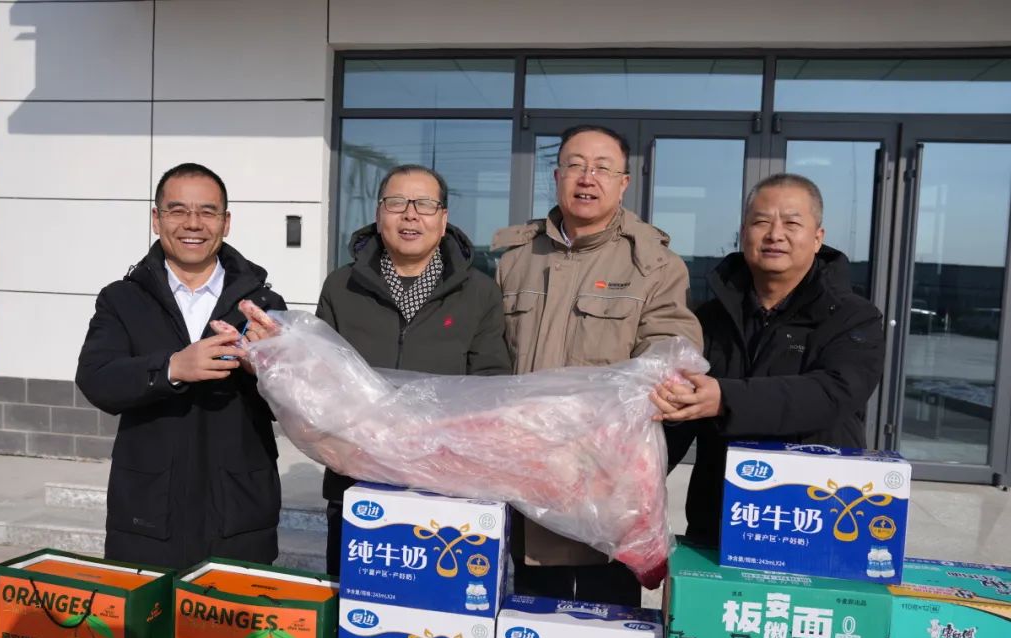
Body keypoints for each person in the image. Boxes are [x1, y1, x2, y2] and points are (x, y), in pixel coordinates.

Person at [493, 124, 703, 606]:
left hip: (600, 488)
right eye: (575, 165)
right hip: (520, 476)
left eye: (603, 168)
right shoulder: (516, 259)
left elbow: (672, 348)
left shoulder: (654, 264)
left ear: (623, 183)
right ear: (556, 176)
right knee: (523, 617)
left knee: (600, 626)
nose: (587, 178)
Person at [655, 173, 886, 545]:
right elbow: (679, 417)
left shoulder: (853, 317)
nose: (775, 234)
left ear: (817, 238)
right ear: (743, 233)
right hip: (721, 520)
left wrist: (726, 399)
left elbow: (834, 393)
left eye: (792, 223)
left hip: (815, 521)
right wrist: (630, 482)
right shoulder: (710, 318)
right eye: (761, 222)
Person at [76, 163, 286, 570]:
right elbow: (96, 379)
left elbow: (293, 404)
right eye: (177, 211)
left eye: (208, 212)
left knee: (231, 609)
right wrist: (171, 367)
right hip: (148, 510)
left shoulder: (262, 304)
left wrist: (265, 371)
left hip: (239, 507)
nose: (193, 224)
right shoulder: (122, 299)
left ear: (226, 223)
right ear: (156, 219)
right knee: (146, 610)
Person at [316, 164, 511, 576]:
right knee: (356, 598)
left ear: (443, 218)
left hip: (444, 491)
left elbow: (490, 385)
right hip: (355, 485)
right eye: (396, 203)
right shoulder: (341, 286)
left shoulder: (479, 293)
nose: (410, 215)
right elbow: (321, 381)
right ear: (378, 213)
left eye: (424, 204)